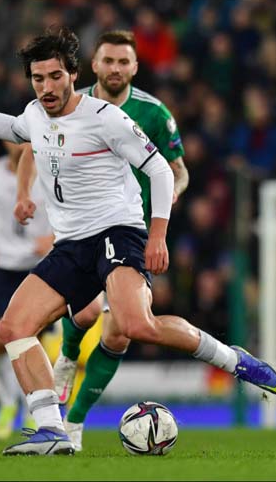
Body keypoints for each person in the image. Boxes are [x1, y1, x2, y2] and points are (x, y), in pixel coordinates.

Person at [0, 27, 276, 456]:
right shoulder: (35, 114)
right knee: (12, 327)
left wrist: (157, 236)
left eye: (55, 77)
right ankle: (51, 430)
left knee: (136, 326)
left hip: (118, 232)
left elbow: (159, 171)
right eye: (38, 79)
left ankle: (234, 360)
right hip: (72, 244)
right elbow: (11, 127)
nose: (47, 87)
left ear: (73, 74)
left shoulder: (106, 117)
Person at [50, 30, 190, 452]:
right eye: (107, 60)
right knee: (88, 311)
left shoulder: (154, 113)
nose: (115, 69)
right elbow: (32, 148)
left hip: (131, 231)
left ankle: (73, 423)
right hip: (81, 225)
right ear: (93, 65)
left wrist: (171, 194)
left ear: (134, 67)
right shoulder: (71, 106)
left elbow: (178, 169)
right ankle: (68, 358)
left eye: (123, 62)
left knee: (119, 336)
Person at [0, 140, 60, 439]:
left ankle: (36, 409)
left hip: (40, 266)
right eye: (13, 136)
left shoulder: (50, 171)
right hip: (3, 265)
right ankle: (9, 400)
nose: (18, 143)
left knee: (36, 342)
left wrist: (56, 238)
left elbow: (73, 207)